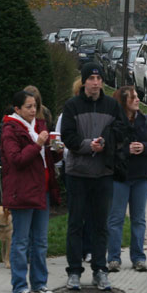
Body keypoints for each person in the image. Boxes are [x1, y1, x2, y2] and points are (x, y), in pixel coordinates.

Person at [60, 62, 124, 292]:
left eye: (99, 79)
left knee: (100, 225)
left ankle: (100, 270)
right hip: (77, 172)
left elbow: (121, 130)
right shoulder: (72, 106)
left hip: (103, 173)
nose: (96, 83)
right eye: (92, 79)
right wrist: (89, 146)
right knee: (76, 223)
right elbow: (67, 136)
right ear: (84, 81)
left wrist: (105, 144)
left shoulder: (111, 106)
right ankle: (74, 271)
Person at [1, 90, 61, 293]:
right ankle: (19, 285)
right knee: (21, 241)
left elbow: (46, 157)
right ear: (17, 109)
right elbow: (16, 159)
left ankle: (39, 283)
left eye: (35, 106)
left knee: (40, 241)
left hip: (41, 189)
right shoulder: (10, 129)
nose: (33, 110)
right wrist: (36, 145)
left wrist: (56, 149)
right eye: (28, 106)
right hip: (23, 192)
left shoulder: (39, 126)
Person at [106, 86, 147, 272]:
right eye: (133, 97)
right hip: (120, 178)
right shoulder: (114, 123)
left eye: (137, 96)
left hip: (142, 177)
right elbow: (108, 149)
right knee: (116, 219)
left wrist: (144, 147)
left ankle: (138, 257)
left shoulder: (146, 121)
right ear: (124, 102)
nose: (137, 99)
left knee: (139, 219)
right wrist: (126, 150)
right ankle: (113, 258)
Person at [55, 77, 93, 263]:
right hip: (71, 168)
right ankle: (76, 250)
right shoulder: (65, 115)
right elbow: (59, 141)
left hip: (92, 167)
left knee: (90, 212)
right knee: (76, 213)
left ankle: (88, 248)